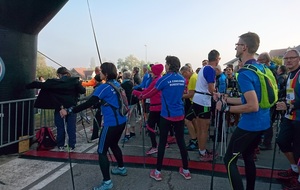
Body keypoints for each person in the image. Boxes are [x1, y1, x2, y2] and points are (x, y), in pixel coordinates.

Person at [60, 62, 127, 190]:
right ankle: (121, 168)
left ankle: (107, 182)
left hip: (111, 123)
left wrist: (68, 111)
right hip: (121, 121)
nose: (99, 73)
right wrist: (97, 104)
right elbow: (107, 101)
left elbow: (89, 102)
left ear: (105, 74)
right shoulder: (117, 84)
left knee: (101, 151)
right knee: (113, 145)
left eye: (101, 71)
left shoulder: (104, 87)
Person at [216, 32, 270, 190]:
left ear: (244, 47)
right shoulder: (261, 68)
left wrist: (227, 108)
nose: (236, 47)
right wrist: (226, 99)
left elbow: (252, 106)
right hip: (263, 123)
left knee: (229, 160)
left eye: (237, 44)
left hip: (250, 124)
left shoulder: (244, 73)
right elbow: (250, 100)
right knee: (248, 157)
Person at [139, 56, 190, 181]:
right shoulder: (182, 79)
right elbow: (182, 93)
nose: (165, 66)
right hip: (179, 114)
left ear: (169, 65)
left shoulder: (164, 79)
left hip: (166, 116)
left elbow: (151, 93)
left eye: (166, 64)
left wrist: (140, 95)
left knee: (162, 142)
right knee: (181, 142)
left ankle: (157, 172)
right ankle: (186, 170)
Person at [26, 67, 86, 151]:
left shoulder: (54, 83)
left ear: (59, 74)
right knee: (71, 128)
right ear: (67, 73)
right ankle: (71, 145)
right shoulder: (74, 81)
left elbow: (40, 85)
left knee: (60, 127)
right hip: (71, 108)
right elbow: (83, 91)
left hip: (59, 108)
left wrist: (27, 85)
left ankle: (60, 145)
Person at [188, 50, 220, 162]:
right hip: (203, 101)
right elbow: (211, 89)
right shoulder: (210, 69)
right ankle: (202, 152)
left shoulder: (203, 68)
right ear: (217, 58)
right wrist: (218, 94)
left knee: (202, 128)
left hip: (198, 99)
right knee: (204, 129)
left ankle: (203, 150)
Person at [276, 48, 300, 190]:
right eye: (286, 58)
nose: (289, 60)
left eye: (292, 58)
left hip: (298, 118)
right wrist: (283, 101)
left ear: (298, 59)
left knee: (298, 151)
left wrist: (288, 104)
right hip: (290, 116)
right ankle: (295, 169)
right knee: (282, 141)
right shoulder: (290, 75)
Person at [132, 64, 164, 155]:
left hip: (155, 107)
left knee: (150, 126)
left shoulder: (156, 80)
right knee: (160, 126)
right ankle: (164, 143)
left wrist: (136, 92)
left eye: (152, 71)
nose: (150, 72)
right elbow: (147, 90)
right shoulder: (159, 79)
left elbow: (148, 92)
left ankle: (154, 146)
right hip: (159, 106)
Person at [81, 66, 102, 141]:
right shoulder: (101, 85)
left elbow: (90, 97)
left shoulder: (97, 88)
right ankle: (97, 135)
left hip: (99, 106)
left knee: (97, 119)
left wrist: (80, 99)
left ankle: (95, 136)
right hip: (100, 106)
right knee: (98, 120)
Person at [180, 65, 198, 151]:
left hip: (195, 102)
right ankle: (196, 137)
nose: (184, 77)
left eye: (183, 74)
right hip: (195, 102)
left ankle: (194, 140)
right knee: (193, 120)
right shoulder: (194, 76)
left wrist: (179, 96)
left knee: (187, 120)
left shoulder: (193, 78)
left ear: (187, 72)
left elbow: (191, 94)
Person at [121, 71, 139, 142]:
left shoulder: (123, 85)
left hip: (128, 103)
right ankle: (132, 132)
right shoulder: (132, 83)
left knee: (126, 118)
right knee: (132, 117)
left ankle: (127, 134)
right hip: (134, 102)